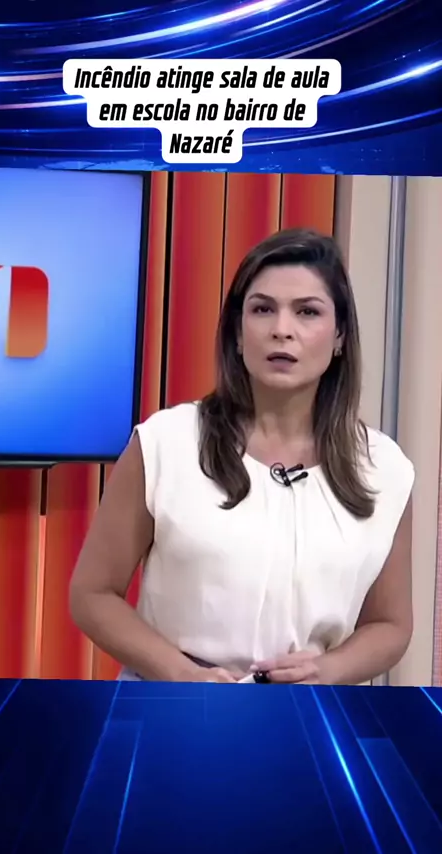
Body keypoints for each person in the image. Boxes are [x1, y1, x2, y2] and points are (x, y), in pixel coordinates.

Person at [70, 228, 414, 685]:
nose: (281, 329)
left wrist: (326, 670)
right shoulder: (164, 444)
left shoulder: (384, 469)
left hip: (304, 713)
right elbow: (92, 594)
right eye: (262, 309)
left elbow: (389, 625)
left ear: (339, 337)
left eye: (307, 312)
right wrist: (180, 674)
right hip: (171, 709)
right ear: (237, 332)